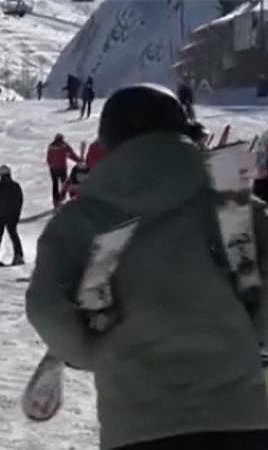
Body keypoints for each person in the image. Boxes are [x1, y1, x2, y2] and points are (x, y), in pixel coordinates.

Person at [26, 83, 268, 450]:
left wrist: (90, 352)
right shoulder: (234, 206)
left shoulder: (82, 221)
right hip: (242, 419)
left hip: (139, 422)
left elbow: (47, 307)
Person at [0, 164, 24, 266]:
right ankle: (18, 255)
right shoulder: (15, 186)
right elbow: (19, 200)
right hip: (12, 215)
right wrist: (17, 214)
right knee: (13, 235)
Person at [46, 133, 80, 207]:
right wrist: (78, 160)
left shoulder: (51, 146)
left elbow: (48, 158)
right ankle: (61, 198)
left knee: (55, 183)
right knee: (64, 183)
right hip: (61, 168)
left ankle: (56, 200)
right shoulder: (64, 145)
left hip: (53, 168)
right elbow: (71, 154)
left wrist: (51, 165)